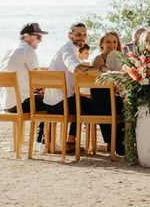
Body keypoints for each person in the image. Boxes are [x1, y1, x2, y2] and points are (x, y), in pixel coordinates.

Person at [43, 23, 124, 155]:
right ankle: (115, 143)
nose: (82, 38)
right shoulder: (68, 50)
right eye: (79, 34)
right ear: (70, 35)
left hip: (55, 100)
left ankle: (71, 142)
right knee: (103, 106)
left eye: (85, 35)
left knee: (93, 103)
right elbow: (76, 69)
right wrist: (102, 70)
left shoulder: (72, 50)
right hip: (60, 103)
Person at [0, 22, 48, 145]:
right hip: (20, 104)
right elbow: (39, 78)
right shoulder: (28, 50)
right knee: (54, 101)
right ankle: (43, 141)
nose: (40, 40)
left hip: (7, 104)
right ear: (26, 36)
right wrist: (45, 89)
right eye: (38, 36)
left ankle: (42, 140)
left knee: (45, 98)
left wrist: (38, 89)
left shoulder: (9, 51)